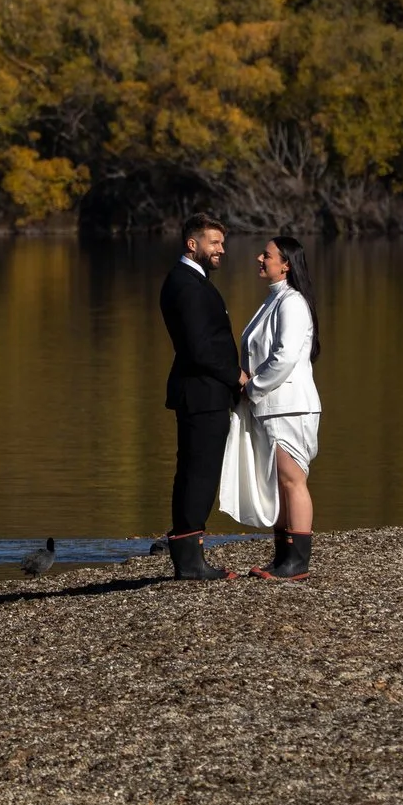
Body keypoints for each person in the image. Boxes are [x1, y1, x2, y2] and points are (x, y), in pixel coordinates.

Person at [159, 213, 240, 580]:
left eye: (222, 243)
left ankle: (189, 556)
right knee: (199, 473)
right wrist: (235, 376)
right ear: (193, 245)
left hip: (202, 392)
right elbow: (198, 348)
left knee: (195, 471)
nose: (221, 249)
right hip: (201, 393)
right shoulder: (186, 284)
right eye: (214, 242)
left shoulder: (191, 280)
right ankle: (190, 562)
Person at [239, 233, 322, 580]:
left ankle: (298, 562)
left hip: (290, 406)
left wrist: (252, 386)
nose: (260, 259)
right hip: (271, 406)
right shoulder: (272, 301)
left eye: (267, 255)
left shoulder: (292, 303)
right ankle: (283, 557)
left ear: (286, 264)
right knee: (279, 482)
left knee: (292, 480)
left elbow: (285, 356)